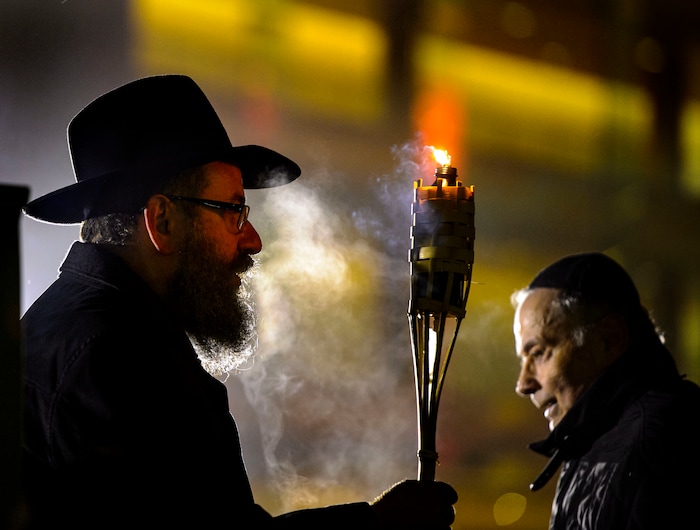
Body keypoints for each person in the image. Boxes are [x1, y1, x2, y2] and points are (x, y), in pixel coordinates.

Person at [20, 74, 458, 530]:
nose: (252, 240)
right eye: (233, 212)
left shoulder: (75, 326)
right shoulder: (117, 356)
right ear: (163, 221)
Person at [511, 252, 700, 529]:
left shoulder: (662, 441)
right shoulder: (594, 438)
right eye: (522, 360)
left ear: (610, 340)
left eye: (538, 353)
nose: (523, 384)